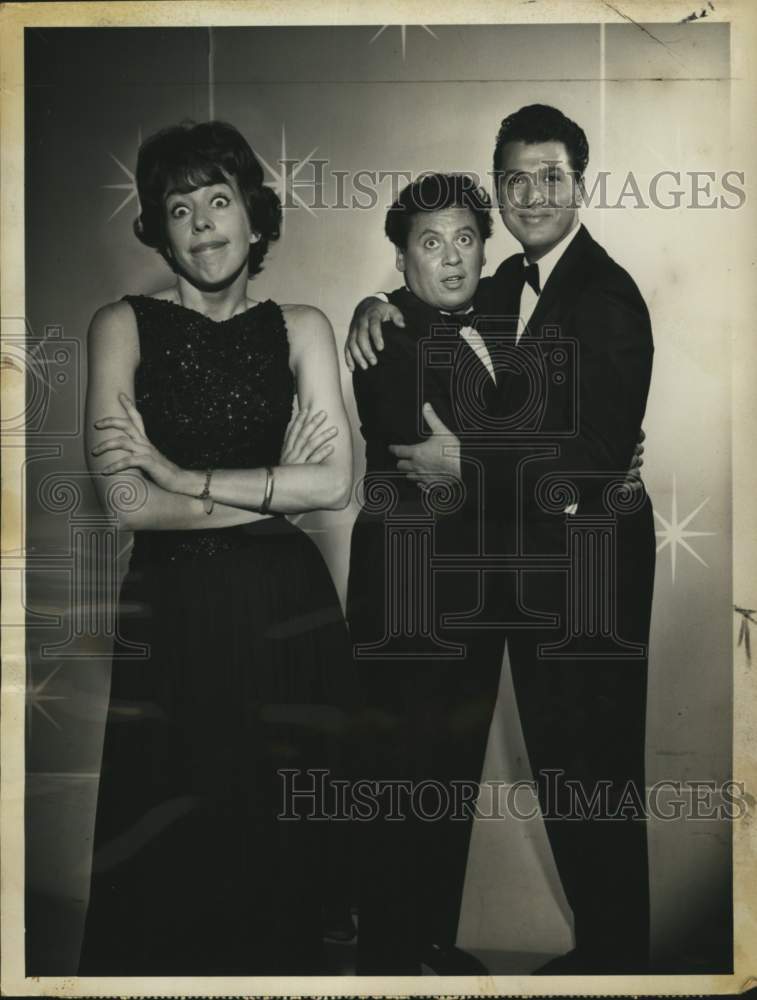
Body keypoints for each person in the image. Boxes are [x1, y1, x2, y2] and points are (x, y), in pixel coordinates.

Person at [346, 104, 655, 974]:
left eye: (549, 176)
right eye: (514, 178)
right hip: (491, 567)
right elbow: (420, 295)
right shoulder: (494, 282)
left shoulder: (606, 293)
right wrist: (372, 302)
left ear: (578, 183)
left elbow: (597, 456)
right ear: (498, 188)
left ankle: (617, 962)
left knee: (589, 772)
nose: (531, 194)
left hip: (587, 567)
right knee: (457, 760)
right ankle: (422, 949)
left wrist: (471, 461)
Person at [78, 120, 354, 975]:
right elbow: (126, 504)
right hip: (174, 611)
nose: (201, 223)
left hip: (287, 611)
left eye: (219, 200)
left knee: (279, 828)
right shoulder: (119, 326)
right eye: (179, 206)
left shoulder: (303, 325)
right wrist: (270, 488)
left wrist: (179, 472)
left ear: (256, 218)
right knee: (175, 828)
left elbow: (336, 484)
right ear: (160, 231)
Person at [347, 174, 503, 975]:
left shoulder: (500, 319)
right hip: (407, 591)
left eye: (465, 238)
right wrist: (572, 455)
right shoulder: (387, 340)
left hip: (473, 590)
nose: (450, 257)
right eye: (429, 242)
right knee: (400, 770)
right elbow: (427, 459)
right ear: (401, 257)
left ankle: (429, 945)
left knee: (451, 765)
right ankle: (386, 954)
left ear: (487, 244)